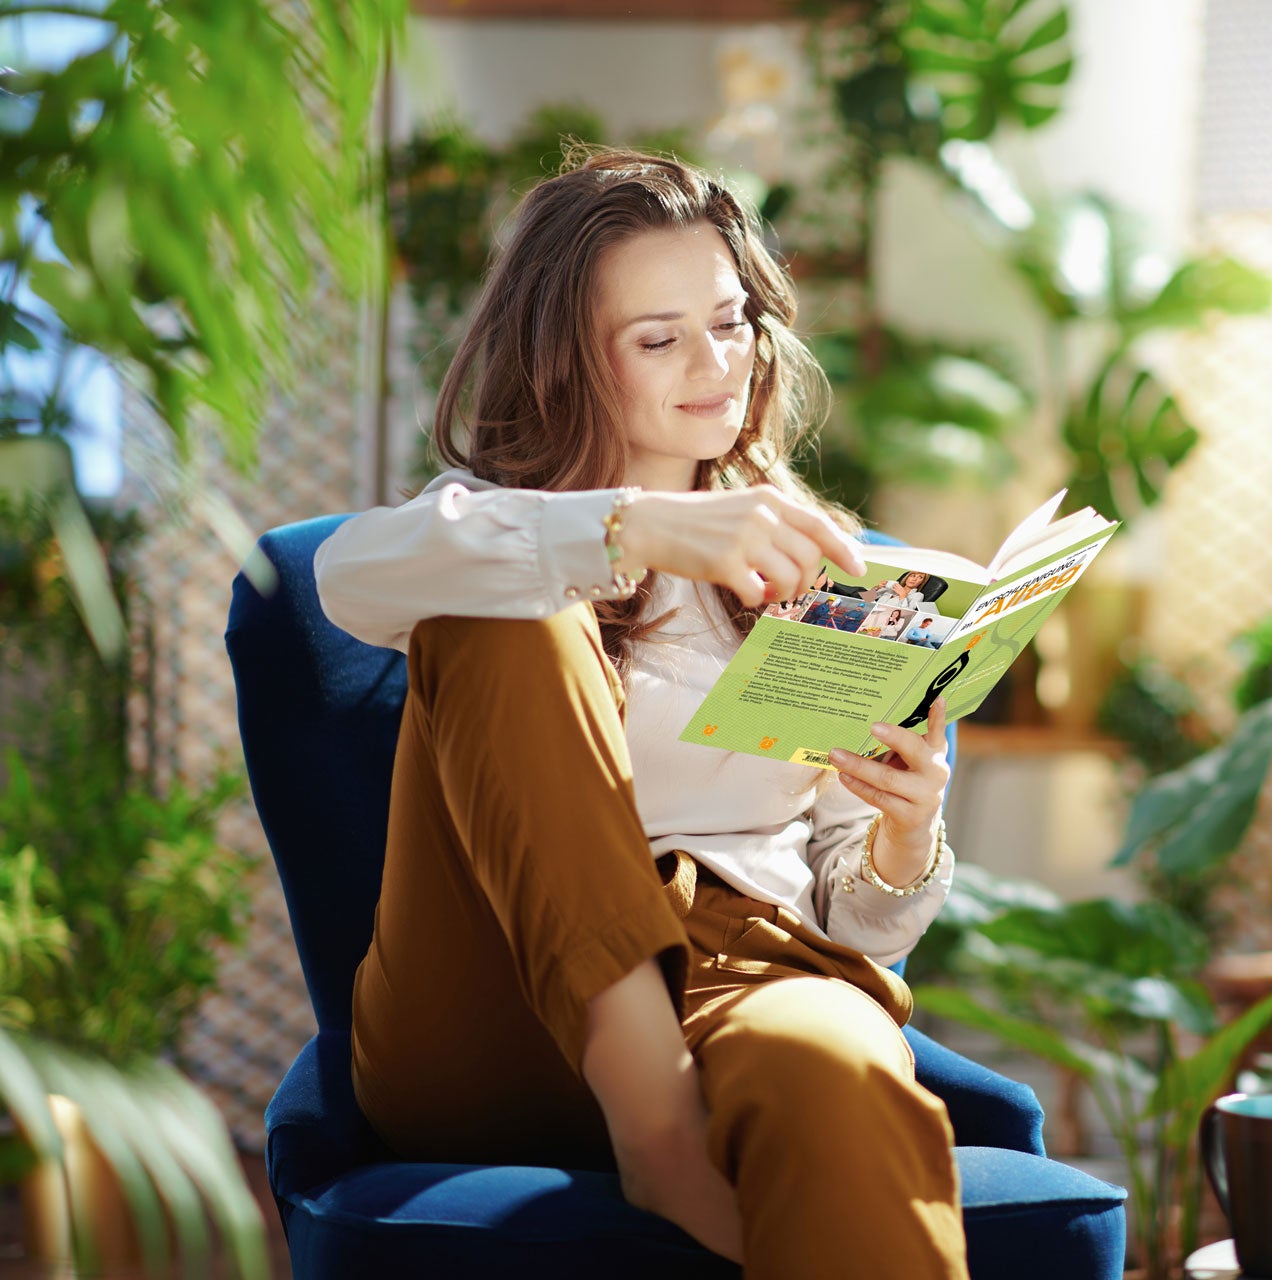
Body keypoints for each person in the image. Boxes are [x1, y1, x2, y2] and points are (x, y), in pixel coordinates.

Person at [311, 147, 965, 1280]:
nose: (717, 365)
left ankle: (688, 1102)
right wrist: (630, 531)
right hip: (492, 1003)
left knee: (840, 1067)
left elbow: (853, 922)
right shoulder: (499, 532)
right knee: (507, 610)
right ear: (569, 364)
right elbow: (342, 576)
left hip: (746, 970)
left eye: (730, 320)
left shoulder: (815, 563)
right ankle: (656, 1126)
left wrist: (905, 836)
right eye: (659, 339)